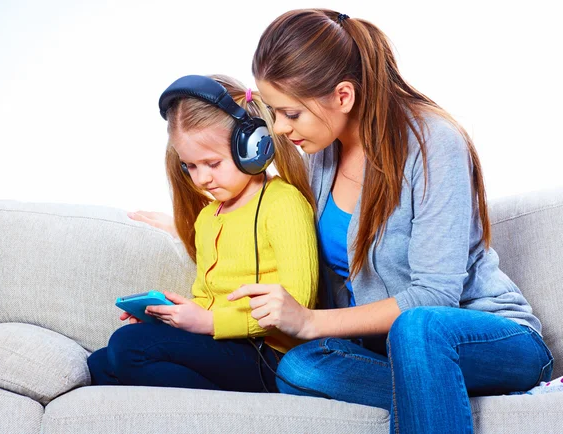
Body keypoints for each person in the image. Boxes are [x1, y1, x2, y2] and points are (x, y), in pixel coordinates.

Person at [223, 8, 554, 433]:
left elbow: (435, 295)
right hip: (393, 352)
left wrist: (310, 321)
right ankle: (440, 393)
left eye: (291, 114)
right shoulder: (319, 155)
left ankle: (444, 385)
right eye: (274, 112)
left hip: (491, 339)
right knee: (301, 367)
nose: (283, 129)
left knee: (418, 329)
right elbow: (263, 213)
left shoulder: (433, 143)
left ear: (343, 96)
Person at [87, 74, 319, 393]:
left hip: (270, 355)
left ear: (252, 148)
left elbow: (297, 304)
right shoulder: (208, 217)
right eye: (191, 166)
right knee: (99, 364)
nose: (202, 179)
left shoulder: (283, 203)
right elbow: (208, 297)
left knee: (128, 347)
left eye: (212, 163)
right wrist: (170, 321)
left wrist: (210, 323)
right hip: (220, 342)